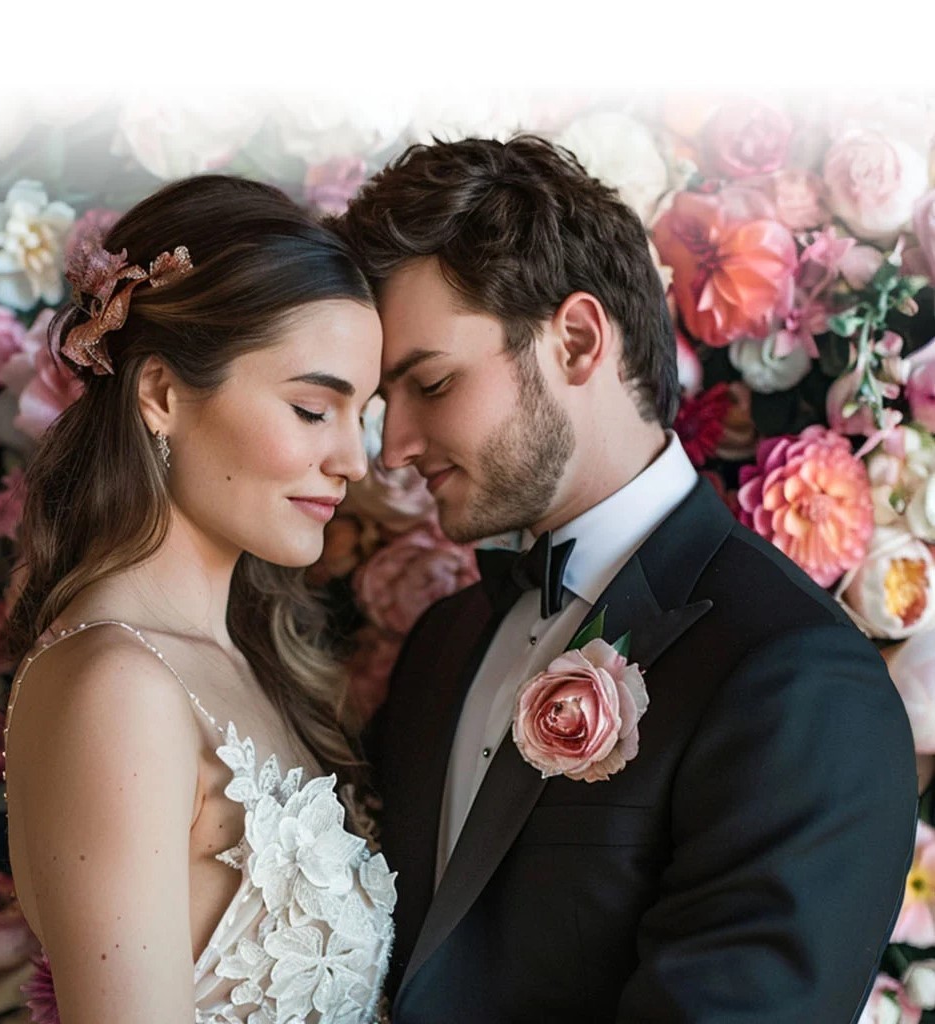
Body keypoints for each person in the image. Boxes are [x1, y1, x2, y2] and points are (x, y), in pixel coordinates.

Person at [333, 135, 918, 1023]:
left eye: (433, 384)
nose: (397, 446)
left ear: (575, 339)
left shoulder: (796, 681)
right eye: (387, 405)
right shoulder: (442, 644)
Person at [2, 174, 396, 1024]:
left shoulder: (242, 661)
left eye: (361, 413)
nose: (354, 462)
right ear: (162, 395)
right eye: (311, 407)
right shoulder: (119, 687)